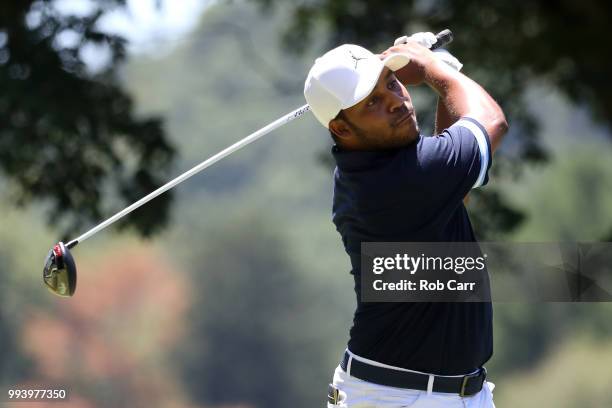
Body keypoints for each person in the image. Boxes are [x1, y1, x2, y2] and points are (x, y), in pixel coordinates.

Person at [303, 32, 508, 408]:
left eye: (392, 83)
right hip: (399, 398)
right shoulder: (397, 182)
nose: (396, 102)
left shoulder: (371, 167)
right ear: (342, 129)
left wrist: (442, 69)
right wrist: (433, 70)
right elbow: (491, 121)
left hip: (446, 393)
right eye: (373, 103)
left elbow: (454, 188)